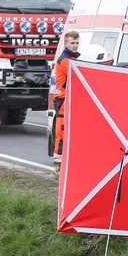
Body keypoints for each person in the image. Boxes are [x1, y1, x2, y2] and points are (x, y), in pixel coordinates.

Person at [51, 30, 80, 177]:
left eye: (76, 43)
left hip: (68, 100)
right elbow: (78, 73)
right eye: (72, 43)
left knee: (67, 133)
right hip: (63, 100)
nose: (75, 46)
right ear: (66, 43)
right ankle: (58, 167)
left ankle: (64, 164)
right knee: (61, 133)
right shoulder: (65, 60)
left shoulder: (70, 58)